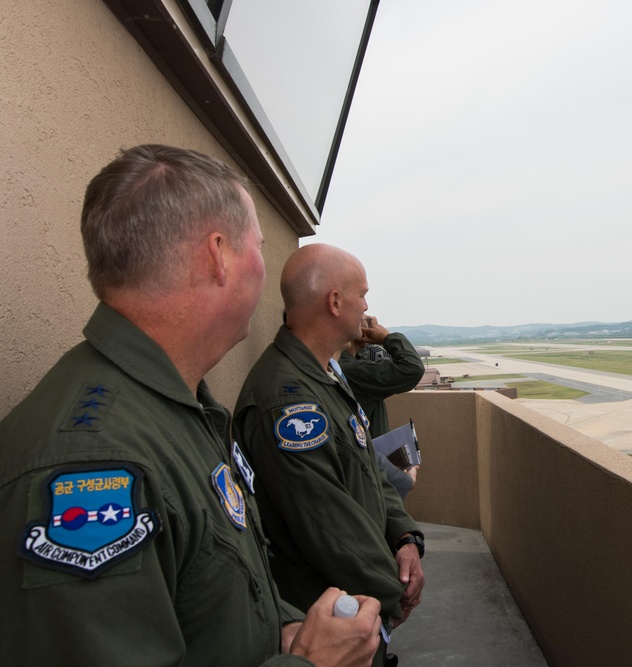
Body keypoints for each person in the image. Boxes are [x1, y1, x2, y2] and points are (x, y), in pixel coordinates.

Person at [0, 145, 381, 667]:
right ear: (218, 255)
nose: (265, 270)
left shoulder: (175, 409)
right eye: (259, 246)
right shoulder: (93, 461)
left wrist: (280, 631)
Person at [234, 244, 426, 667]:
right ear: (335, 301)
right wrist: (394, 594)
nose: (367, 306)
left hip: (358, 601)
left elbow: (370, 469)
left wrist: (404, 537)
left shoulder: (325, 377)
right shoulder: (287, 400)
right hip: (327, 616)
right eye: (362, 294)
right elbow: (328, 521)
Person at [338, 316, 425, 498]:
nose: (372, 322)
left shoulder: (350, 365)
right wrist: (386, 337)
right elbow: (411, 368)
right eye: (365, 319)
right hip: (371, 479)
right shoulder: (353, 371)